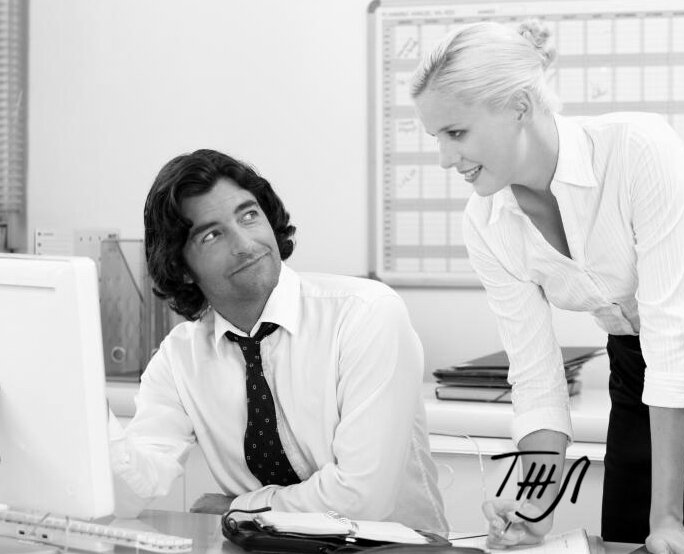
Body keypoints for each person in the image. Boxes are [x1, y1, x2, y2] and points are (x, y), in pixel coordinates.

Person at [410, 20, 684, 554]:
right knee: (624, 541)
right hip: (638, 361)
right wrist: (534, 507)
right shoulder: (486, 221)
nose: (443, 158)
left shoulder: (638, 148)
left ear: (519, 106)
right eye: (435, 137)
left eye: (455, 133)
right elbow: (536, 379)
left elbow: (671, 336)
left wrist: (667, 519)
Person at [109, 149, 448, 535]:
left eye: (248, 216)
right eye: (212, 235)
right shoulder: (179, 358)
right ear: (181, 268)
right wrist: (87, 410)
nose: (245, 243)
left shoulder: (365, 312)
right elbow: (131, 494)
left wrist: (240, 508)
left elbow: (362, 500)